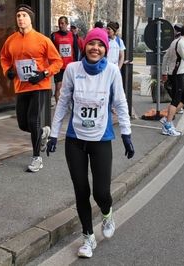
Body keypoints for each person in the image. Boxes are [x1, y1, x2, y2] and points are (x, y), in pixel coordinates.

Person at [46, 28, 135, 258]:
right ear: (84, 46)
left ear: (106, 49)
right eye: (91, 43)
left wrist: (126, 134)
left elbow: (121, 103)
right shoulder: (73, 70)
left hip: (101, 139)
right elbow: (63, 102)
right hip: (75, 140)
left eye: (100, 44)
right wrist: (54, 134)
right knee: (81, 190)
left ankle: (107, 215)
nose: (95, 48)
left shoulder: (113, 71)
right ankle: (88, 237)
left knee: (101, 193)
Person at [0, 4, 63, 172]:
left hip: (40, 87)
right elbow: (4, 58)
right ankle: (42, 132)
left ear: (30, 19)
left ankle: (37, 158)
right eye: (18, 15)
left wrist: (44, 74)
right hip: (21, 87)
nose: (20, 18)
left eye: (24, 16)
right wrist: (7, 71)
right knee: (23, 124)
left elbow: (58, 62)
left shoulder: (43, 40)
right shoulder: (11, 40)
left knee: (33, 119)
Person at [51, 16, 80, 104]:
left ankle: (72, 105)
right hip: (58, 66)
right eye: (59, 23)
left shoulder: (72, 35)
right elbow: (50, 51)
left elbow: (77, 50)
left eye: (62, 23)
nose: (60, 25)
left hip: (69, 66)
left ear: (67, 24)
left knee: (71, 86)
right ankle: (58, 107)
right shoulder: (54, 36)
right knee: (58, 86)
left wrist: (77, 64)